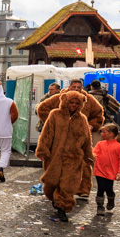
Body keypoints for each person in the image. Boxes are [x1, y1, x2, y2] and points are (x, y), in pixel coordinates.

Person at [36, 78, 104, 200]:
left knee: (83, 165)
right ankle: (56, 190)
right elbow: (42, 109)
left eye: (79, 87)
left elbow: (99, 114)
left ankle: (83, 189)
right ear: (69, 87)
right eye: (74, 87)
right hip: (59, 139)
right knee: (55, 165)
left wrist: (91, 125)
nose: (77, 89)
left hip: (78, 138)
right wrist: (54, 123)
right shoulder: (60, 98)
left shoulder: (88, 100)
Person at [35, 91, 93, 222]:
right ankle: (56, 201)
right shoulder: (55, 115)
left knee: (68, 185)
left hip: (73, 158)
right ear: (65, 102)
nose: (73, 105)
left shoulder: (82, 119)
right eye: (71, 102)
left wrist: (88, 156)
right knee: (52, 182)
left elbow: (87, 139)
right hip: (55, 157)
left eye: (76, 103)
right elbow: (47, 134)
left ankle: (62, 209)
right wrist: (43, 151)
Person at [92, 122, 120, 213]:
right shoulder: (100, 144)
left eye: (103, 132)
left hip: (111, 172)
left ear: (110, 134)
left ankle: (111, 198)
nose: (101, 134)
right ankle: (100, 206)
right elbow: (94, 153)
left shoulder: (119, 147)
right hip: (99, 170)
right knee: (101, 188)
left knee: (109, 188)